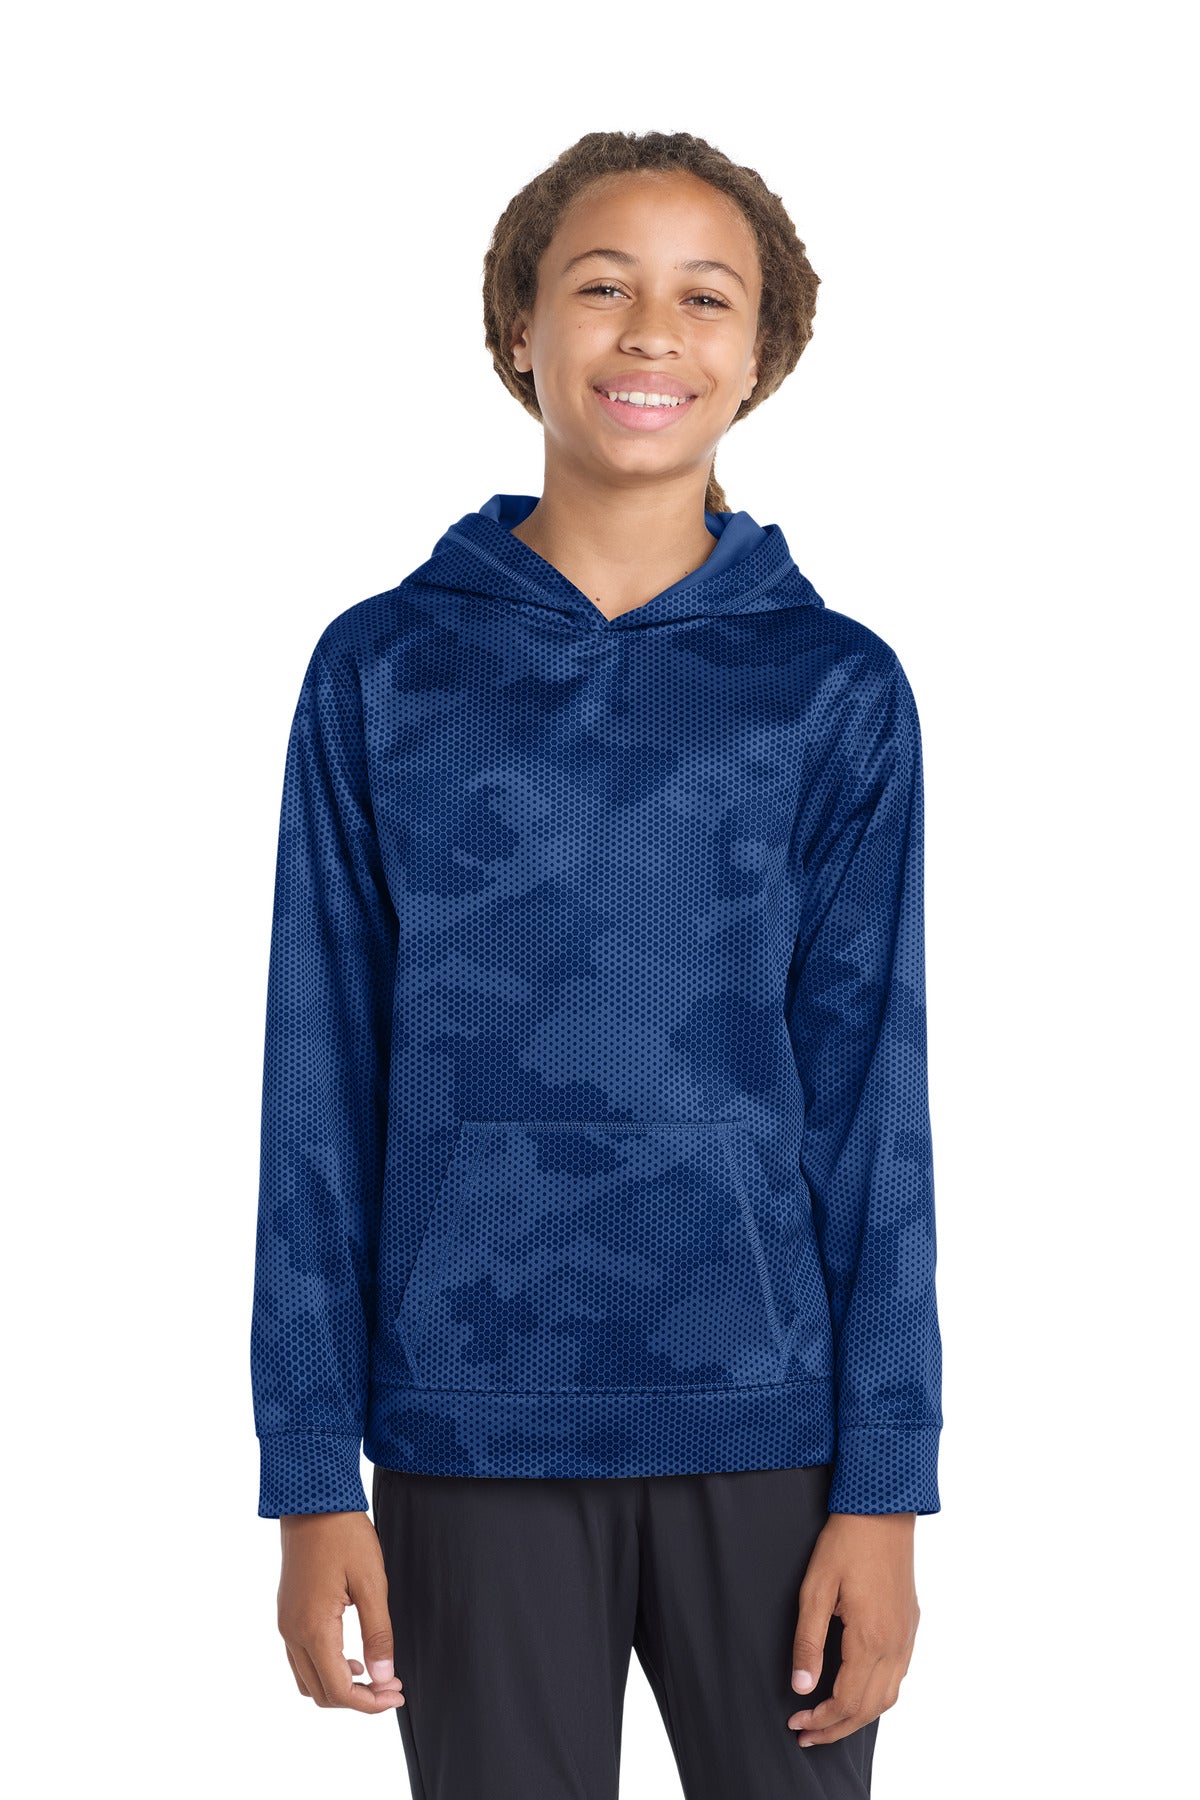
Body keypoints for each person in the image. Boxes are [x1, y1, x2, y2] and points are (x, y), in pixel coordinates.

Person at [250, 128, 943, 1799]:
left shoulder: (834, 692)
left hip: (766, 1429)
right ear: (520, 326)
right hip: (468, 1421)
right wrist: (309, 1472)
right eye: (602, 287)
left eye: (706, 299)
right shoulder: (383, 672)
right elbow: (318, 1081)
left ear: (761, 354)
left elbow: (876, 1106)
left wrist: (888, 1485)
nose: (651, 333)